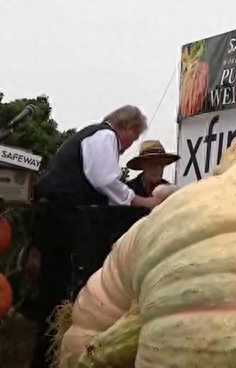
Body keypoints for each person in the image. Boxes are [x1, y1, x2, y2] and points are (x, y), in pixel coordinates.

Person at [30, 105, 161, 368]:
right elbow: (104, 180)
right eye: (133, 137)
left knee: (54, 288)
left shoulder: (92, 136)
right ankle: (46, 358)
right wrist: (140, 202)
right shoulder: (105, 136)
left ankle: (48, 356)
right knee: (55, 289)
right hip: (60, 216)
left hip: (55, 213)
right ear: (126, 126)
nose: (128, 146)